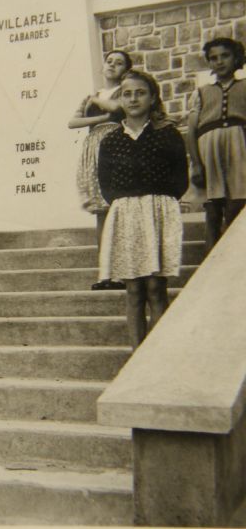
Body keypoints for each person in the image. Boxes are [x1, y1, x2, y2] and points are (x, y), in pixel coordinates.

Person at [98, 70, 189, 349]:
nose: (133, 98)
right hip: (126, 215)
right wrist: (129, 203)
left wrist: (158, 201)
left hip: (159, 212)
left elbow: (180, 178)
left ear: (152, 98)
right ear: (120, 99)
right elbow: (106, 185)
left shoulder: (168, 134)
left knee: (155, 287)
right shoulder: (111, 140)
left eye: (140, 92)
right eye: (127, 93)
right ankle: (137, 354)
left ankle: (159, 354)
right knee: (134, 289)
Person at [68, 50, 133, 291]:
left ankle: (122, 272)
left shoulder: (125, 90)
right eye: (109, 61)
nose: (112, 66)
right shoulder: (93, 96)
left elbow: (120, 109)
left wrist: (102, 109)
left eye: (119, 63)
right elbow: (72, 122)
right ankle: (105, 273)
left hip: (115, 144)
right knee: (101, 211)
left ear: (125, 69)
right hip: (94, 147)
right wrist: (102, 114)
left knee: (118, 206)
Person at [187, 37, 246, 253]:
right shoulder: (201, 92)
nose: (219, 62)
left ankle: (232, 256)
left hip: (239, 148)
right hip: (209, 152)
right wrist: (196, 163)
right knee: (212, 208)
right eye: (213, 58)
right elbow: (192, 130)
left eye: (225, 56)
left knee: (236, 205)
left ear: (237, 58)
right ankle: (210, 259)